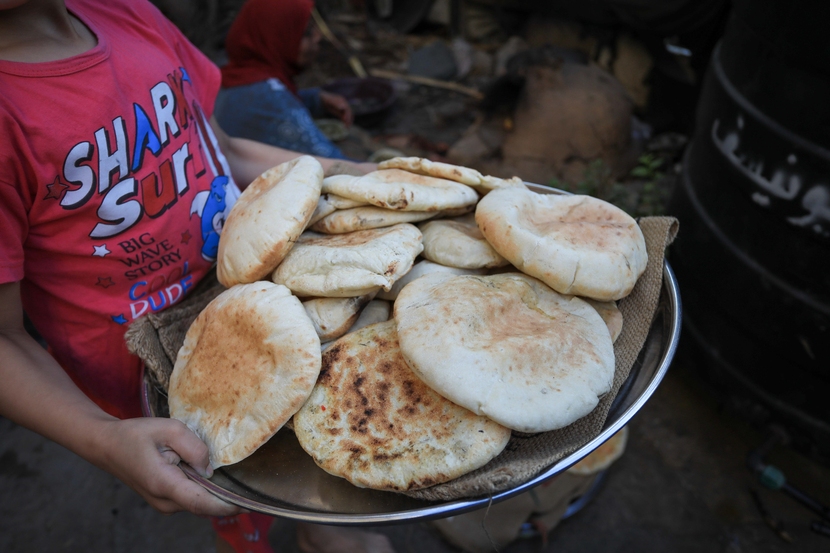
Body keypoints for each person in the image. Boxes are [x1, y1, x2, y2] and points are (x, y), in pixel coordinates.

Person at [0, 1, 393, 552]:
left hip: (264, 298)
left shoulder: (127, 12)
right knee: (234, 477)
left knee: (311, 427)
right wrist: (105, 439)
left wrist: (356, 175)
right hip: (160, 372)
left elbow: (226, 151)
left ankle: (321, 528)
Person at [214, 0, 353, 160]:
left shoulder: (234, 75)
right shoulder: (267, 98)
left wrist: (315, 99)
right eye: (306, 33)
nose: (318, 38)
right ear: (277, 37)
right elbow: (336, 165)